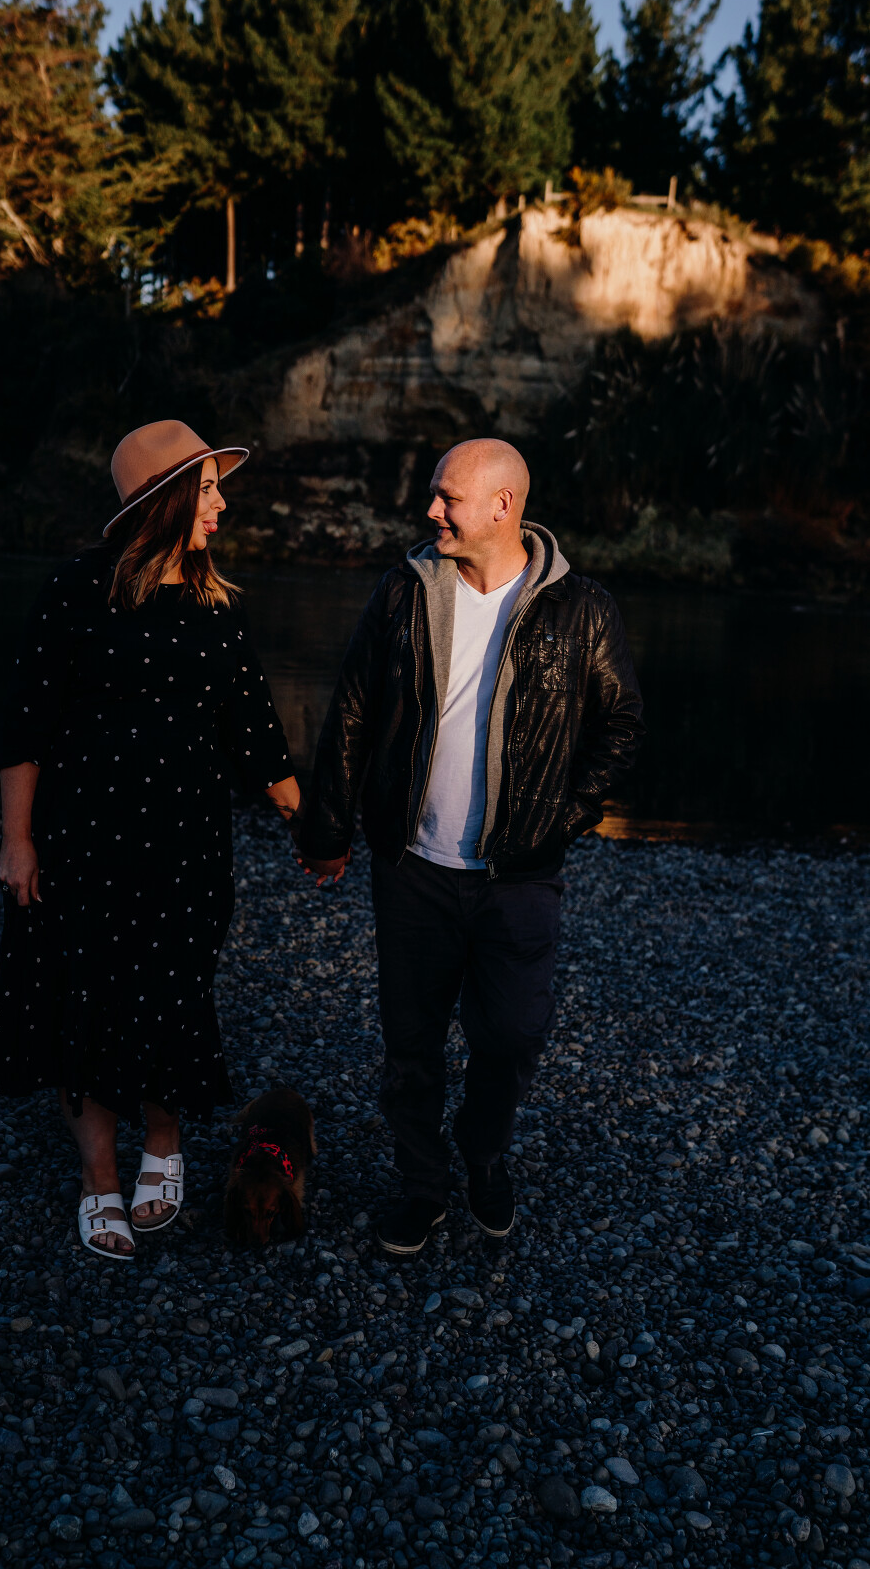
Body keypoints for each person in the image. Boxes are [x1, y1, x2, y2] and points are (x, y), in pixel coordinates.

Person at [298, 438, 644, 1255]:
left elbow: (622, 725)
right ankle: (421, 1188)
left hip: (519, 873)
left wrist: (563, 815)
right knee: (410, 1047)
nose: (430, 511)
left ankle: (483, 1153)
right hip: (412, 867)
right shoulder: (403, 590)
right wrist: (327, 829)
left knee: (512, 1035)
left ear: (501, 506)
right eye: (433, 494)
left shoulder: (580, 607)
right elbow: (351, 711)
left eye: (446, 497)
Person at [0, 420, 300, 1260]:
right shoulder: (74, 590)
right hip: (81, 843)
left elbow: (258, 737)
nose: (222, 504)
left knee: (174, 999)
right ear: (165, 500)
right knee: (83, 1006)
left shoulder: (217, 606)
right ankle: (100, 1180)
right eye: (208, 490)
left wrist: (315, 827)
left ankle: (163, 1141)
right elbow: (25, 726)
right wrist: (16, 841)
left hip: (188, 849)